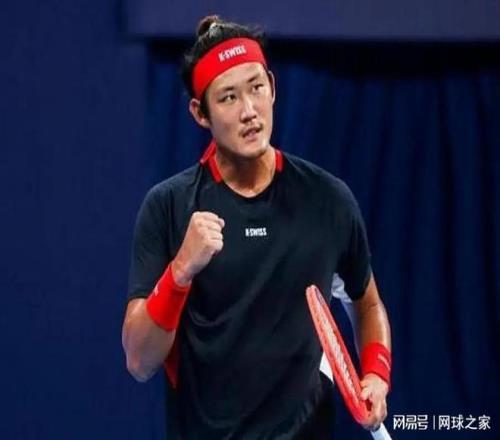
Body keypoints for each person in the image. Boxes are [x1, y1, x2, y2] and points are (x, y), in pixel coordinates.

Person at [122, 15, 392, 439]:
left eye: (256, 87)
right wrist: (180, 272)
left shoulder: (329, 200)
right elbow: (139, 361)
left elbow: (367, 304)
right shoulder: (168, 207)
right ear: (200, 113)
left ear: (273, 87)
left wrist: (375, 373)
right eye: (228, 97)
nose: (249, 111)